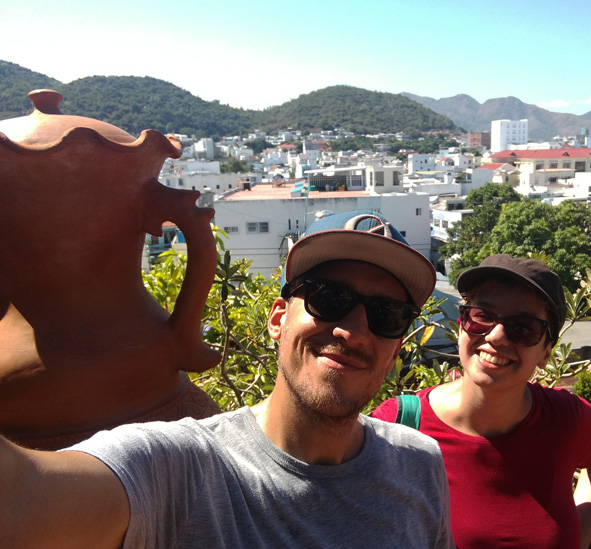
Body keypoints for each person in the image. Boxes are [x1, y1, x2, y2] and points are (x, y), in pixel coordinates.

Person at [0, 210, 455, 549]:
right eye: (328, 299)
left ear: (397, 346)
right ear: (278, 319)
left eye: (386, 315)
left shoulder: (419, 463)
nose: (354, 331)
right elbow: (22, 500)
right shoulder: (177, 469)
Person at [372, 254, 591, 549]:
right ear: (461, 325)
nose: (496, 336)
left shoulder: (566, 419)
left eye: (523, 328)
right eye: (482, 316)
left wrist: (581, 532)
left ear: (546, 352)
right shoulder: (398, 427)